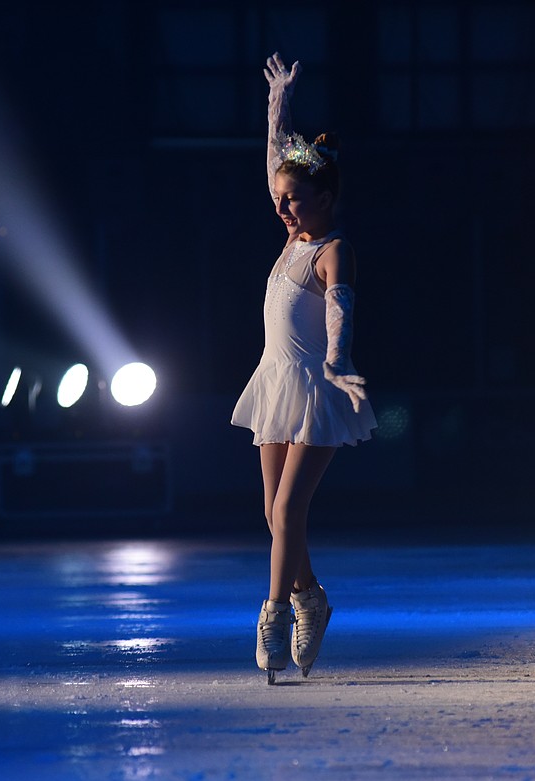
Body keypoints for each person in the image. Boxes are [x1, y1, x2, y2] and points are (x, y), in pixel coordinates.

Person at [231, 53, 377, 684]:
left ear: (326, 197)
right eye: (281, 199)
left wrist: (340, 362)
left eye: (295, 200)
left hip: (317, 387)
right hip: (274, 381)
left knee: (288, 511)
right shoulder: (291, 235)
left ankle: (273, 612)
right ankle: (310, 596)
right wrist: (278, 104)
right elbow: (274, 162)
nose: (284, 208)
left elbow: (341, 308)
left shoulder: (330, 248)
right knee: (272, 513)